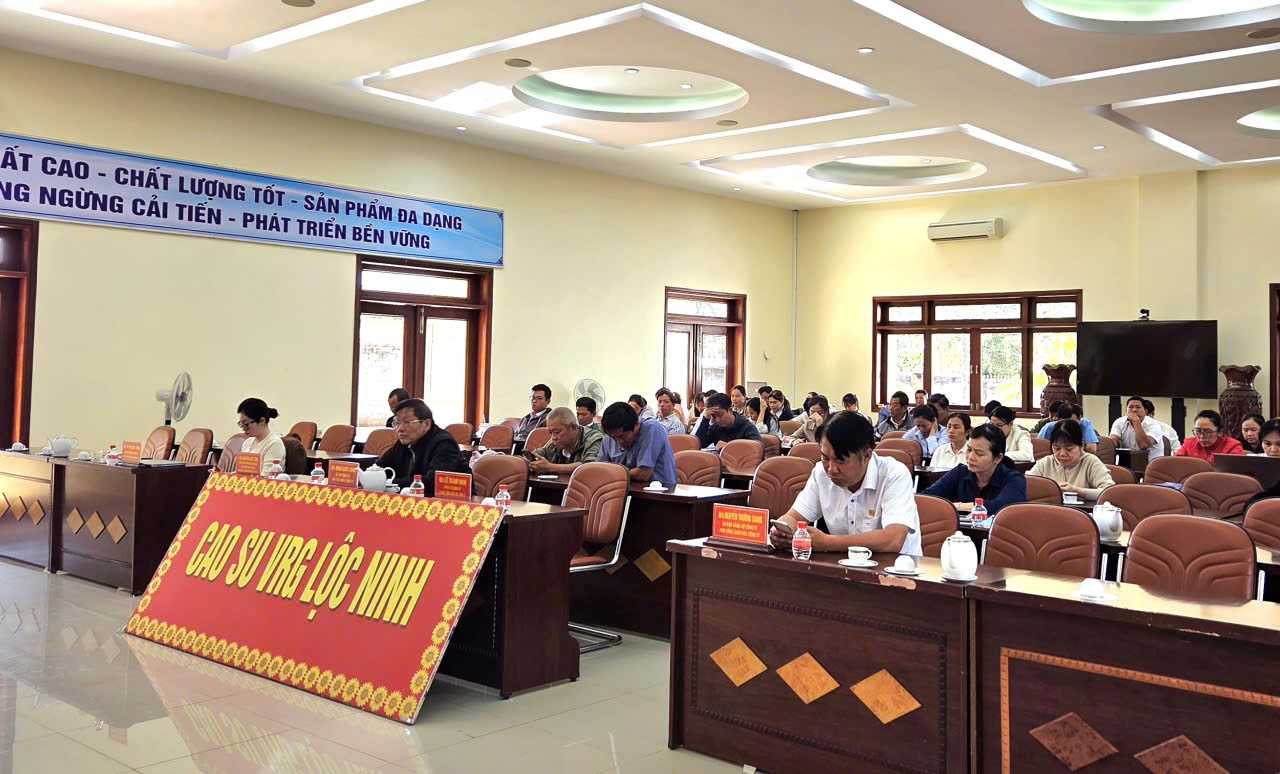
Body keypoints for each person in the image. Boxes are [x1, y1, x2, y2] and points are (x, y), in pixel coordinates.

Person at [768, 412, 921, 556]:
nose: (831, 469)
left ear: (867, 456)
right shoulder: (821, 473)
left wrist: (828, 543)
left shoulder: (893, 474)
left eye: (841, 461)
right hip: (843, 565)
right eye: (825, 458)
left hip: (897, 568)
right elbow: (793, 517)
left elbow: (894, 540)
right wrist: (782, 530)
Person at [925, 423, 1027, 516]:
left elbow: (1001, 507)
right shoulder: (960, 472)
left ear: (998, 458)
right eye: (969, 450)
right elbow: (926, 497)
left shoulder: (1015, 479)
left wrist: (956, 506)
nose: (970, 457)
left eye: (979, 453)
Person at [378, 398, 469, 491]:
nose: (400, 429)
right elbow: (380, 467)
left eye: (407, 422)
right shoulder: (404, 442)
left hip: (451, 498)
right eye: (397, 422)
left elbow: (432, 482)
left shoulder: (444, 443)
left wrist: (388, 483)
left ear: (426, 424)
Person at [1030, 420, 1115, 501]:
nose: (1062, 454)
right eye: (1057, 448)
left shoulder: (1091, 462)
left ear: (1081, 446)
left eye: (1069, 449)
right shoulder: (1046, 463)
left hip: (1082, 510)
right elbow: (1027, 485)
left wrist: (1078, 491)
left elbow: (1109, 492)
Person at [598, 401, 677, 486]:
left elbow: (643, 474)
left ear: (637, 425)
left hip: (660, 491)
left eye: (622, 436)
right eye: (614, 438)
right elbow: (601, 471)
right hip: (621, 490)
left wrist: (614, 472)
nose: (619, 441)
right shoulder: (609, 437)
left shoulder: (651, 429)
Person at [528, 407, 604, 475]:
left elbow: (590, 467)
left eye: (557, 432)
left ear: (573, 427)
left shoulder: (594, 439)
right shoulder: (554, 442)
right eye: (550, 433)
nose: (553, 437)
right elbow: (537, 454)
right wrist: (530, 462)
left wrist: (550, 467)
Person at [236, 397, 285, 475]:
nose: (243, 429)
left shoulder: (274, 444)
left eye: (246, 424)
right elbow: (240, 472)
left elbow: (266, 477)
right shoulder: (247, 442)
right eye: (241, 424)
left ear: (262, 421)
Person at [696, 392, 764, 448]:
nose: (717, 420)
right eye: (713, 416)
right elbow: (699, 444)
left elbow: (758, 448)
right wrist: (705, 419)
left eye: (720, 415)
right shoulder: (716, 426)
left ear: (730, 411)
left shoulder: (746, 426)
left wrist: (730, 447)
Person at [1174, 409, 1244, 462]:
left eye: (1208, 432)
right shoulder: (1189, 443)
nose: (1202, 436)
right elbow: (1176, 463)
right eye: (1198, 431)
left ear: (1220, 432)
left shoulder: (1233, 446)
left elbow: (1235, 472)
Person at [1108, 396, 1164, 462]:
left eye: (1138, 407)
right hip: (1127, 463)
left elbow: (1143, 445)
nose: (1134, 410)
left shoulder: (1153, 424)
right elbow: (1113, 442)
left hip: (1151, 464)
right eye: (1130, 407)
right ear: (1126, 410)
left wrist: (1136, 421)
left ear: (1145, 411)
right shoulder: (1119, 422)